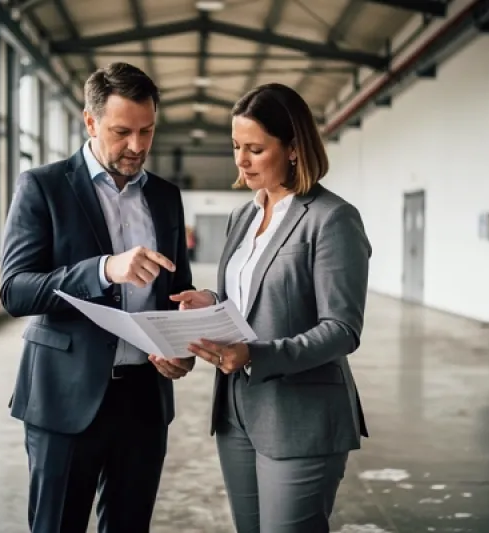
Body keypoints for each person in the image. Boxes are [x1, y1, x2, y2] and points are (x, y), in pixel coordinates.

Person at [0, 62, 196, 533]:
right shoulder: (43, 187)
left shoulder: (166, 197)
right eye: (122, 131)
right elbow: (15, 289)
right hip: (65, 397)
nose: (137, 146)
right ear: (90, 122)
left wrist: (182, 346)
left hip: (145, 400)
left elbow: (177, 294)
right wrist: (104, 269)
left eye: (147, 130)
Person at [170, 82, 372, 533]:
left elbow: (342, 328)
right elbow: (250, 298)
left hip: (300, 414)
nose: (241, 161)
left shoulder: (331, 219)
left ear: (295, 148)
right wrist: (211, 302)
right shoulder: (243, 216)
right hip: (236, 409)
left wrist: (256, 355)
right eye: (236, 146)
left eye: (256, 149)